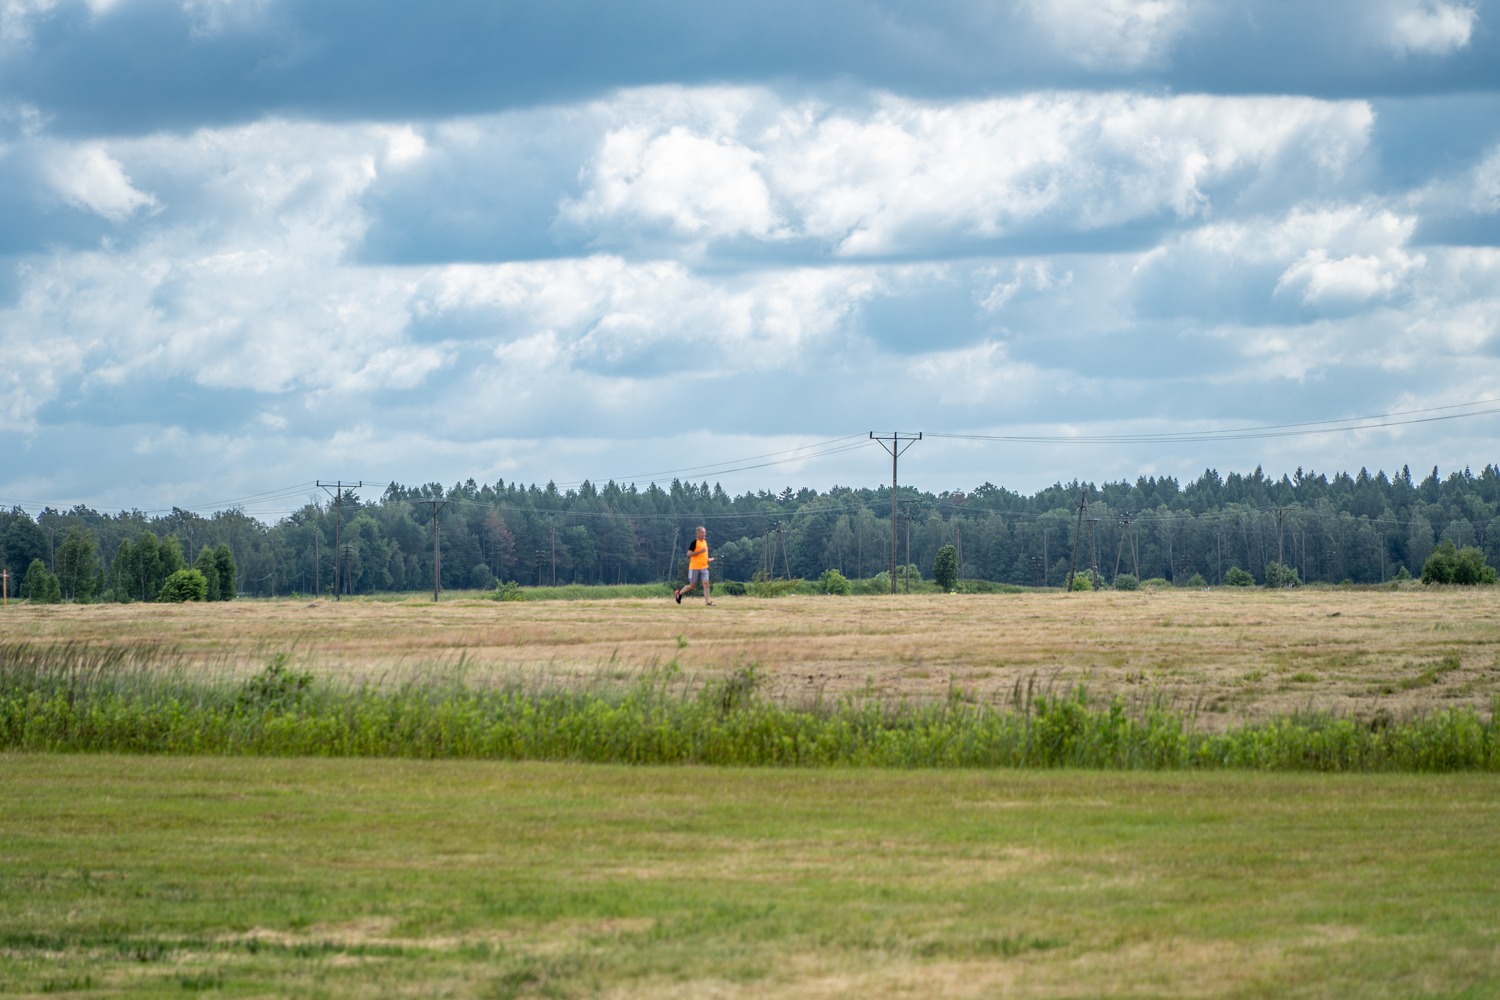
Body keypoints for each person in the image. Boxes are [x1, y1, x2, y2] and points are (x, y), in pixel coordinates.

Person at [675, 526, 714, 606]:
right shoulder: (694, 543)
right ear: (698, 533)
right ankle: (679, 593)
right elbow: (689, 554)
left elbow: (704, 555)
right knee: (692, 586)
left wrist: (708, 559)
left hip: (704, 567)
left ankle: (707, 602)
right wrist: (700, 551)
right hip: (694, 568)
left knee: (706, 584)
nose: (704, 534)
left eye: (705, 532)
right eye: (702, 532)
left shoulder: (705, 542)